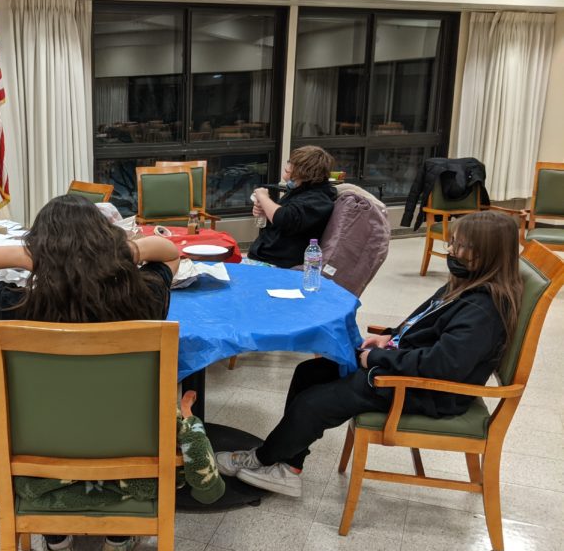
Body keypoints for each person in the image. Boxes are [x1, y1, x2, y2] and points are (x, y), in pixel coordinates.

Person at [0, 194, 188, 551]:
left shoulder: (9, 308)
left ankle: (55, 535)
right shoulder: (146, 298)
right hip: (128, 436)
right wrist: (120, 251)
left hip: (40, 440)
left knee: (49, 420)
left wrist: (31, 254)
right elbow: (168, 252)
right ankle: (122, 530)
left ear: (38, 251)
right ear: (108, 241)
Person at [218, 210, 522, 498]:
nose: (452, 250)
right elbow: (424, 326)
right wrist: (389, 336)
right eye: (453, 242)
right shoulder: (467, 286)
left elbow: (442, 365)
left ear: (487, 256)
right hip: (403, 367)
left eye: (461, 246)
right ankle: (289, 465)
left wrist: (376, 359)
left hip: (424, 390)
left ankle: (262, 458)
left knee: (315, 403)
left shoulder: (483, 310)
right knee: (310, 372)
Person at [247, 146, 337, 268]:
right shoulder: (299, 191)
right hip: (264, 257)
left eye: (292, 163)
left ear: (305, 170)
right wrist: (265, 211)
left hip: (278, 264)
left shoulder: (318, 199)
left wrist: (263, 197)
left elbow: (284, 219)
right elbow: (283, 218)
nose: (287, 165)